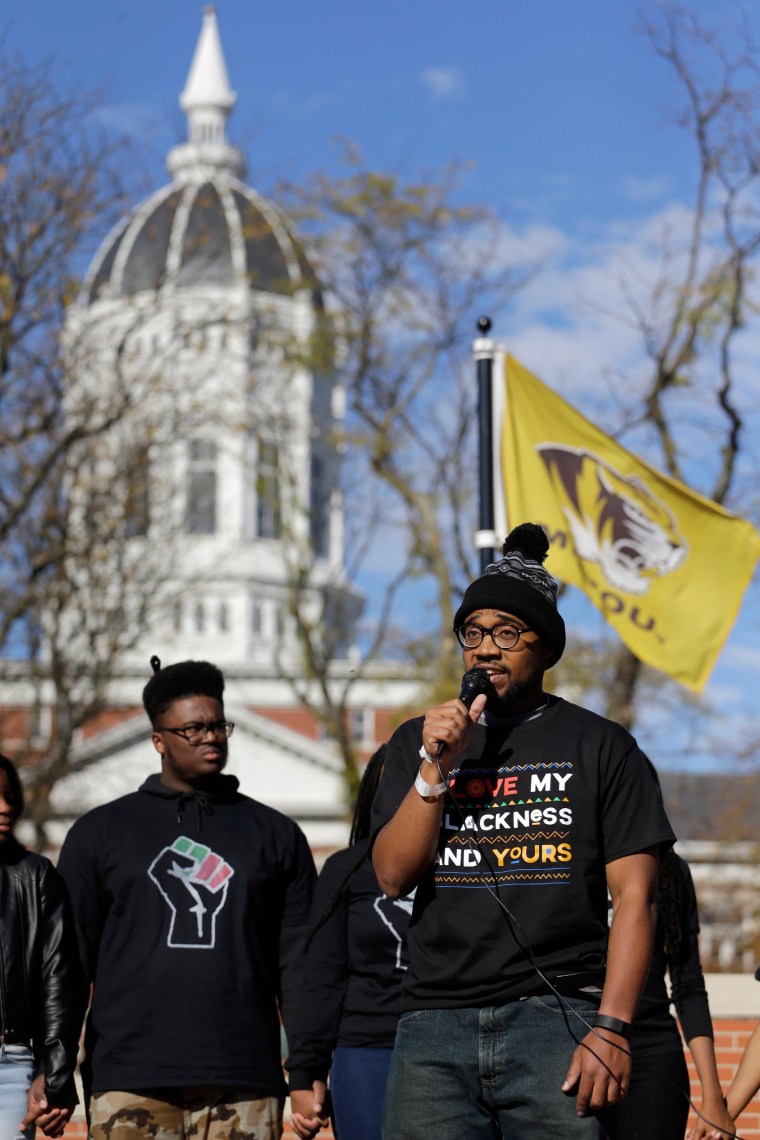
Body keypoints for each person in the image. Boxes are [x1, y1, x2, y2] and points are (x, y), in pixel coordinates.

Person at [371, 522, 676, 1140]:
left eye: (507, 633)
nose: (486, 649)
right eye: (474, 632)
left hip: (556, 1022)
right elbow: (392, 876)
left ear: (545, 649)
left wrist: (612, 1029)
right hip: (434, 1024)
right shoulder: (419, 742)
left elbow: (637, 899)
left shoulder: (602, 747)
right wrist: (435, 770)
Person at [57, 657, 316, 1140]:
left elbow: (299, 964)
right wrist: (54, 1071)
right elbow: (68, 963)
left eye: (218, 725)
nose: (211, 737)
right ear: (158, 740)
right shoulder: (101, 832)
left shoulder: (275, 834)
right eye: (193, 729)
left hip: (244, 1076)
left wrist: (304, 1067)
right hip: (129, 1076)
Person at [287, 745, 414, 1140]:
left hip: (452, 1045)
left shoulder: (465, 866)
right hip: (366, 1052)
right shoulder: (347, 870)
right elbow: (321, 977)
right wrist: (306, 1072)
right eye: (394, 783)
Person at [608, 836, 733, 1140]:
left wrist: (713, 1095)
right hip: (570, 1051)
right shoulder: (563, 863)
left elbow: (687, 983)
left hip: (653, 1061)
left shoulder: (671, 870)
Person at [0, 754, 86, 1140]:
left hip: (8, 1066)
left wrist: (51, 1074)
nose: (5, 808)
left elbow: (60, 983)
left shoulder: (34, 878)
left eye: (8, 797)